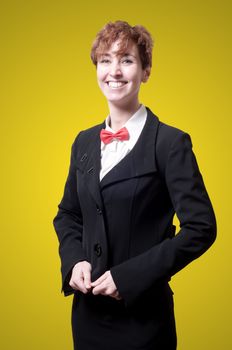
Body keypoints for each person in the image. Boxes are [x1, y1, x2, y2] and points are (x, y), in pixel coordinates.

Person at [53, 20, 216, 350]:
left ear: (145, 70)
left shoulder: (170, 143)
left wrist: (128, 278)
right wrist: (74, 262)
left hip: (143, 320)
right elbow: (68, 214)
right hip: (87, 317)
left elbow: (201, 228)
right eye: (105, 60)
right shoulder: (83, 142)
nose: (114, 70)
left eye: (126, 59)